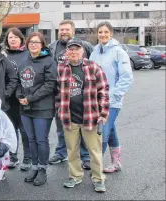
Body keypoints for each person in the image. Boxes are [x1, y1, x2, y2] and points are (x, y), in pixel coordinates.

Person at [56, 38, 110, 192]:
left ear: (83, 51)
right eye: (70, 49)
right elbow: (57, 92)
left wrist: (103, 113)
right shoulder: (61, 68)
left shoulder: (93, 67)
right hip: (69, 118)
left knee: (94, 151)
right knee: (72, 150)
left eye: (76, 49)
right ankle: (75, 176)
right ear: (66, 52)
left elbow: (104, 90)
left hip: (91, 117)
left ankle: (98, 179)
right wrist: (59, 109)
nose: (73, 52)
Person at [90, 21, 133, 173]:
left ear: (111, 33)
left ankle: (96, 168)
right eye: (100, 32)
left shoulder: (118, 52)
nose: (103, 35)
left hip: (111, 101)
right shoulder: (94, 52)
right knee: (111, 129)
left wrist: (111, 95)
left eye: (106, 32)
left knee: (101, 132)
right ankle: (116, 162)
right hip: (96, 101)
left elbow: (127, 77)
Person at [48, 20, 92, 169]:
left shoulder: (84, 46)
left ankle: (85, 156)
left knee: (83, 126)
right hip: (60, 95)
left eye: (67, 29)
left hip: (81, 95)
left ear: (73, 31)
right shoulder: (52, 47)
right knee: (61, 126)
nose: (63, 32)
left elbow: (94, 64)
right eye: (61, 30)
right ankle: (61, 153)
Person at [16, 32, 57, 186]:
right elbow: (18, 81)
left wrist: (30, 98)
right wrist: (19, 95)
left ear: (42, 44)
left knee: (41, 140)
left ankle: (42, 168)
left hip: (42, 108)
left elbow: (50, 85)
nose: (33, 44)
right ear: (27, 44)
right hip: (25, 107)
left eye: (37, 42)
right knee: (31, 139)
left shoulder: (49, 61)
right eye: (31, 42)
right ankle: (34, 166)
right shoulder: (24, 60)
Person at [1, 27, 31, 170]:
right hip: (8, 97)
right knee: (11, 129)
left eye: (15, 37)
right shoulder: (2, 55)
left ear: (21, 39)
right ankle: (13, 157)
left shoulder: (27, 54)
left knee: (24, 129)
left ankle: (27, 158)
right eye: (10, 37)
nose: (12, 40)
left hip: (23, 97)